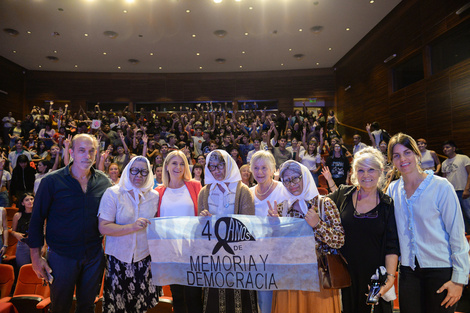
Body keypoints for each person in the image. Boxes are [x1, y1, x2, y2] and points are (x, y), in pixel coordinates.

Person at [385, 133, 469, 313]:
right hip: (408, 271)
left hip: (440, 269)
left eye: (407, 152)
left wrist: (459, 280)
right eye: (396, 156)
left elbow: (457, 234)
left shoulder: (441, 186)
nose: (403, 159)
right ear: (392, 161)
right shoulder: (393, 189)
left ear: (417, 155)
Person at [28, 134, 112, 313]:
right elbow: (36, 220)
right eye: (81, 151)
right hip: (61, 256)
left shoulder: (104, 182)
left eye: (91, 151)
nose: (87, 156)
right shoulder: (51, 181)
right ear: (72, 152)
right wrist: (35, 258)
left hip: (93, 255)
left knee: (87, 307)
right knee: (60, 307)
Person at [324, 147, 399, 313]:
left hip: (374, 277)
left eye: (371, 170)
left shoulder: (387, 204)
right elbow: (318, 206)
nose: (366, 175)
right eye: (361, 170)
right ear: (354, 173)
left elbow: (392, 245)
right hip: (345, 274)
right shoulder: (342, 194)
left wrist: (390, 279)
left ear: (380, 172)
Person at [268, 160, 344, 313]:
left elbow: (339, 240)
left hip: (318, 275)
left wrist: (318, 225)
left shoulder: (324, 204)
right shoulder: (281, 208)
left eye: (296, 178)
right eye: (287, 180)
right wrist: (274, 227)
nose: (292, 184)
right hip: (289, 276)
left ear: (305, 176)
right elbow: (274, 248)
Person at [98, 156, 160, 313]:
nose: (139, 175)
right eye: (135, 170)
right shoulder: (113, 193)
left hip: (143, 259)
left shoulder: (154, 196)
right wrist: (132, 227)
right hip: (118, 258)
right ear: (127, 171)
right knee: (117, 308)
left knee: (140, 307)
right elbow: (103, 228)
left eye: (144, 172)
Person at [198, 149, 257, 313]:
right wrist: (203, 219)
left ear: (229, 165)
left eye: (219, 166)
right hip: (213, 255)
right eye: (212, 167)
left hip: (238, 254)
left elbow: (248, 226)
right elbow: (200, 228)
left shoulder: (243, 190)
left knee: (239, 298)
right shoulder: (205, 192)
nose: (216, 171)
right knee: (214, 298)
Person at [155, 150, 203, 313]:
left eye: (182, 163)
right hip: (171, 253)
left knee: (194, 296)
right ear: (166, 166)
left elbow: (203, 214)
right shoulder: (159, 192)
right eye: (174, 163)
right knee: (178, 297)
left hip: (193, 251)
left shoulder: (195, 186)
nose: (178, 167)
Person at [249, 150, 288, 313]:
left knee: (276, 302)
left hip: (279, 256)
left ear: (273, 170)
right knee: (260, 302)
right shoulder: (248, 193)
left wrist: (279, 221)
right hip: (255, 257)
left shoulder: (283, 190)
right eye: (256, 168)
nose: (260, 172)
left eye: (264, 168)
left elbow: (293, 223)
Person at [441, 141, 470, 233]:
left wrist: (467, 189)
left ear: (454, 148)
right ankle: (465, 234)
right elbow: (444, 179)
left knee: (468, 213)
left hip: (463, 190)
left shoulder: (463, 158)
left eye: (448, 147)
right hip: (451, 193)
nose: (445, 149)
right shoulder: (444, 163)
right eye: (444, 148)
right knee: (458, 215)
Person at [11, 193, 35, 270]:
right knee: (23, 269)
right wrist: (16, 234)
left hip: (37, 243)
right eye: (27, 200)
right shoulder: (17, 215)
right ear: (22, 203)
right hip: (23, 244)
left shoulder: (40, 214)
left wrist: (44, 246)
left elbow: (44, 231)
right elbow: (12, 231)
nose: (30, 201)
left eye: (32, 199)